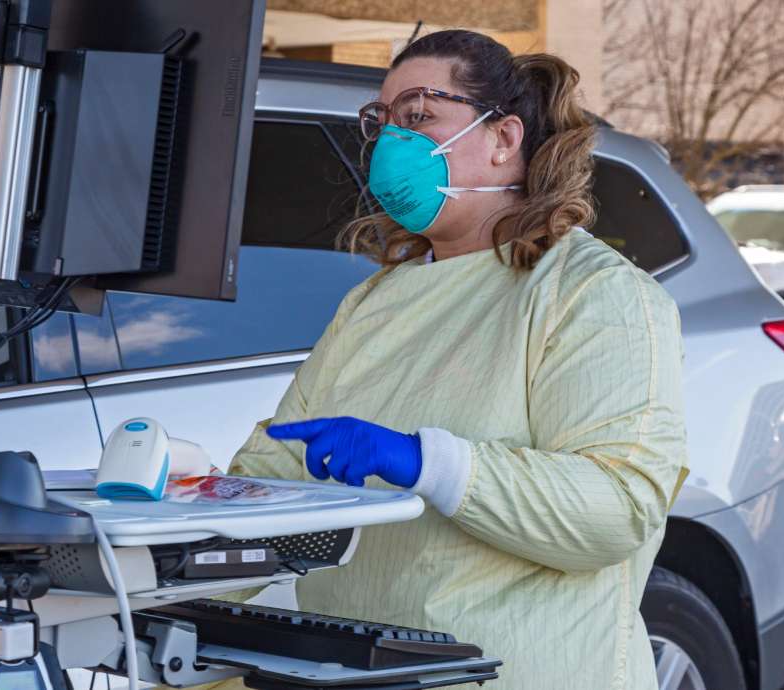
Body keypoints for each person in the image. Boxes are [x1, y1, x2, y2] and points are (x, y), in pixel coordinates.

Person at [224, 31, 688, 690]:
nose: (389, 145)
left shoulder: (592, 293)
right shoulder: (374, 302)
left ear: (504, 139)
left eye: (417, 117)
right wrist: (187, 506)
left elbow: (616, 509)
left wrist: (432, 463)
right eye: (381, 123)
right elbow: (276, 465)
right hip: (366, 671)